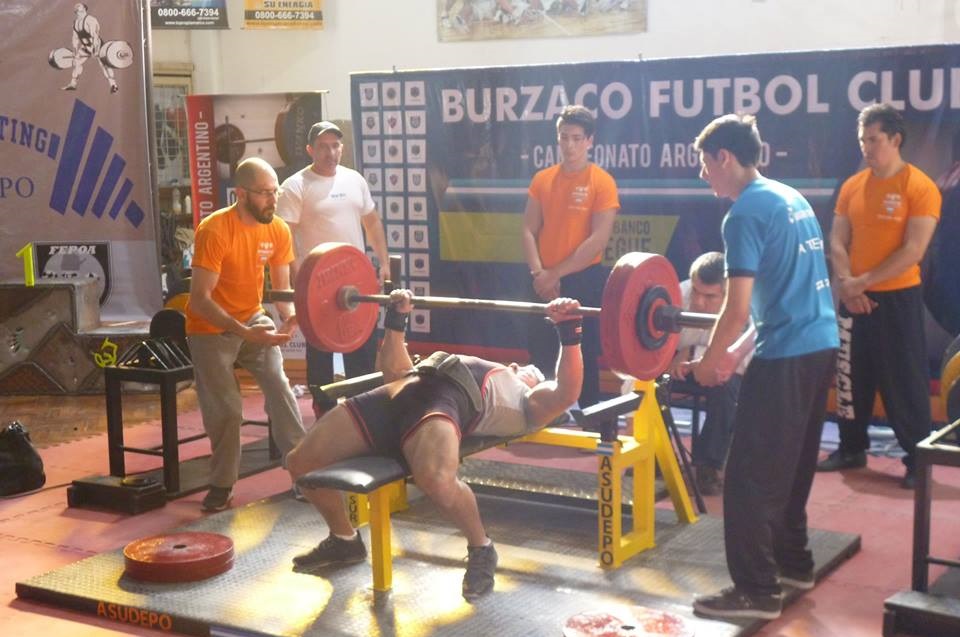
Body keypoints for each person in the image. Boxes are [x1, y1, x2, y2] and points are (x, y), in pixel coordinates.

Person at [286, 290, 584, 601]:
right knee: (300, 463)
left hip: (444, 403)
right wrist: (398, 316)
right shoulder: (495, 367)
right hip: (399, 393)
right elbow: (394, 372)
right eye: (523, 367)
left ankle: (482, 548)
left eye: (532, 372)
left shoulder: (524, 400)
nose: (523, 368)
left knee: (436, 479)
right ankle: (344, 539)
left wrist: (569, 330)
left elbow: (566, 392)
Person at [686, 114, 839, 620]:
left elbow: (734, 306)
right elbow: (777, 303)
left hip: (788, 357)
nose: (703, 175)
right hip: (819, 347)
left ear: (724, 157)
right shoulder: (788, 197)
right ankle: (795, 565)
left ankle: (756, 590)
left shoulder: (744, 214)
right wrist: (733, 354)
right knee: (791, 466)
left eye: (705, 165)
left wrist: (707, 363)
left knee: (747, 478)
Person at [817, 103, 941, 489]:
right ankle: (852, 447)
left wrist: (861, 282)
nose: (866, 148)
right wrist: (847, 281)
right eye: (862, 140)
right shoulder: (853, 186)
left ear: (895, 139)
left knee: (904, 382)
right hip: (852, 296)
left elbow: (913, 250)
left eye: (873, 140)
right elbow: (836, 238)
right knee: (851, 377)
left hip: (897, 298)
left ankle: (917, 460)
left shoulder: (919, 187)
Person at [186, 157, 305, 512]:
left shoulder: (278, 229)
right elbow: (199, 299)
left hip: (252, 317)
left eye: (275, 192)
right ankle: (223, 484)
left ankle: (303, 472)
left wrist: (293, 320)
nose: (273, 200)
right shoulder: (215, 230)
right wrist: (243, 332)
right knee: (226, 410)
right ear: (240, 194)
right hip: (209, 327)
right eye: (265, 193)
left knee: (280, 386)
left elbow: (282, 292)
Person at [276, 121, 389, 417]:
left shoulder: (355, 180)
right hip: (318, 286)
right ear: (310, 150)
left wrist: (384, 262)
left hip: (355, 283)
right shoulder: (295, 186)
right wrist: (300, 277)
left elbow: (373, 222)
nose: (331, 152)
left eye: (335, 145)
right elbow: (283, 238)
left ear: (342, 147)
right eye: (323, 146)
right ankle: (325, 419)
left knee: (361, 351)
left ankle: (362, 417)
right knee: (321, 356)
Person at [521, 104, 619, 411]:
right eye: (564, 137)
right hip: (542, 279)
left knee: (584, 350)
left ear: (590, 140)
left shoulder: (601, 182)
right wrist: (540, 274)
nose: (570, 145)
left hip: (584, 278)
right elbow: (527, 230)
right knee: (541, 348)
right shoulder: (542, 179)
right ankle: (539, 415)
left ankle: (589, 416)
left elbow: (598, 240)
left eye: (577, 138)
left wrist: (556, 274)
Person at [667, 251, 755, 496]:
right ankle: (656, 456)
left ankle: (708, 464)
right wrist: (676, 355)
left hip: (719, 369)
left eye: (710, 296)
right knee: (648, 384)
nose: (699, 302)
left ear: (727, 292)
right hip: (674, 367)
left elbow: (744, 359)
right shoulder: (674, 294)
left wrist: (695, 350)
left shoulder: (745, 304)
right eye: (696, 291)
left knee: (727, 389)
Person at [62, 3, 118, 93]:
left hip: (97, 46)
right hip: (85, 47)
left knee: (104, 65)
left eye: (79, 6)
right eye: (76, 7)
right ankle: (73, 84)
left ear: (84, 8)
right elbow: (75, 38)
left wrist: (95, 50)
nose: (76, 6)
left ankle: (113, 85)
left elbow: (95, 36)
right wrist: (75, 51)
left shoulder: (91, 20)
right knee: (76, 62)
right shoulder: (75, 23)